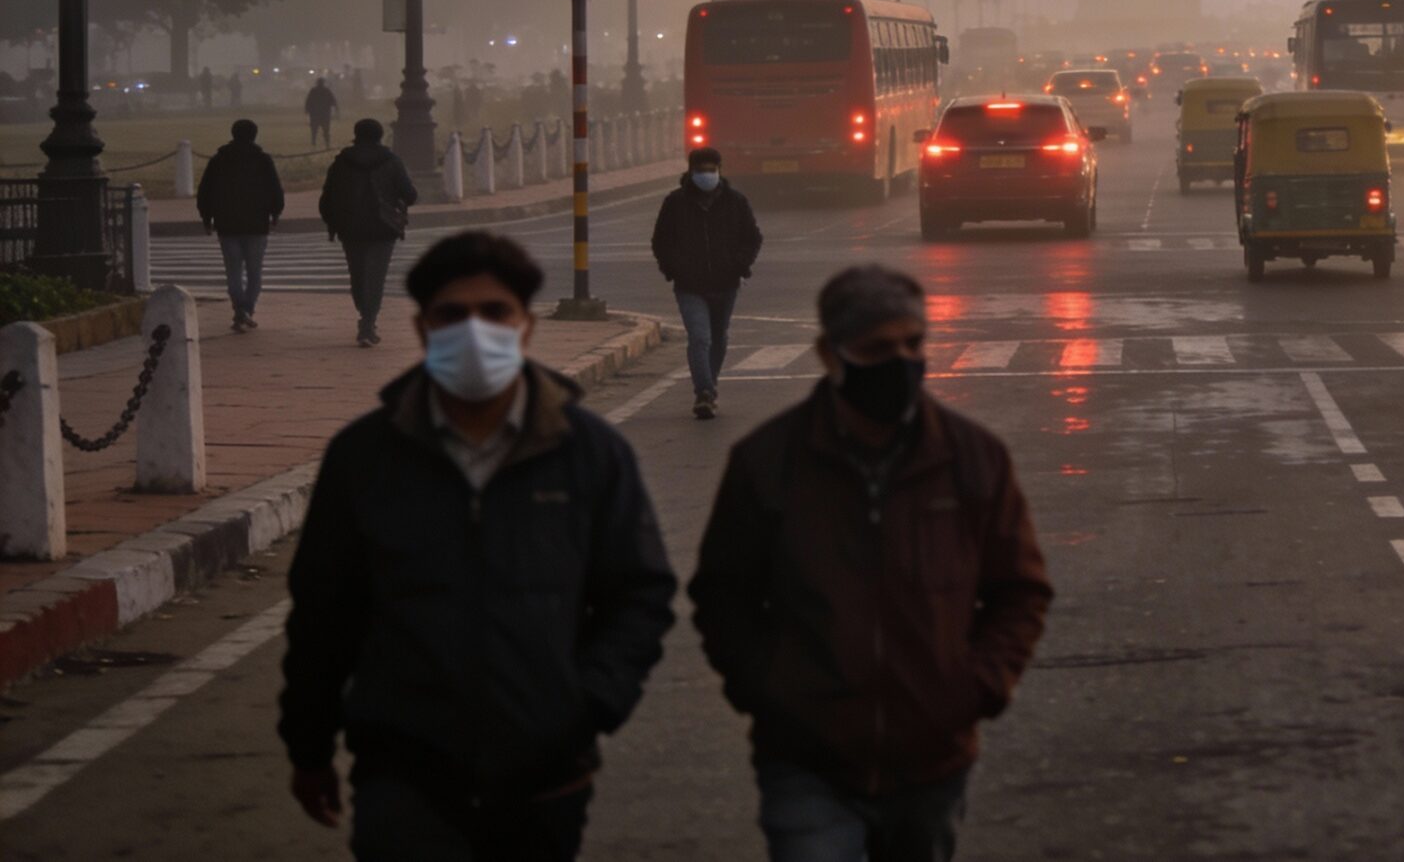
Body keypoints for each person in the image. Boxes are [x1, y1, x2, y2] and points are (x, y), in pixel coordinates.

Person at [278, 231, 677, 862]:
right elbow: (324, 615)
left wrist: (587, 704)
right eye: (452, 315)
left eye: (494, 313)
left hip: (546, 773)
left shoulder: (589, 454)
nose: (474, 331)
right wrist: (309, 746)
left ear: (525, 327)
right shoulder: (366, 458)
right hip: (404, 772)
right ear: (421, 328)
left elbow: (640, 596)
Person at [692, 265, 1050, 862]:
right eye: (878, 349)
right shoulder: (768, 463)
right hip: (806, 758)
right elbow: (722, 596)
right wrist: (771, 692)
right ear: (831, 356)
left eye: (913, 344)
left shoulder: (971, 458)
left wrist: (973, 689)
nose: (902, 362)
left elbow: (1021, 592)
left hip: (932, 758)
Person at [649, 146, 763, 420]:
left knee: (719, 337)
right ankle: (704, 392)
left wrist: (740, 264)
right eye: (701, 170)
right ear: (691, 171)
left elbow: (752, 237)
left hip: (726, 283)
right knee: (700, 338)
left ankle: (709, 385)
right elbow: (660, 241)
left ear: (719, 171)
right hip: (689, 285)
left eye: (711, 170)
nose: (706, 175)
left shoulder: (735, 202)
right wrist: (672, 269)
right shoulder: (675, 203)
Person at [320, 118, 420, 347]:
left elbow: (328, 197)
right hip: (383, 226)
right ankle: (368, 322)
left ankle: (364, 314)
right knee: (376, 277)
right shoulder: (392, 161)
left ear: (357, 135)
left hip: (350, 226)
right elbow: (410, 195)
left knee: (357, 274)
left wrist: (333, 221)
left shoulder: (342, 162)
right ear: (379, 136)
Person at [196, 118, 286, 332]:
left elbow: (205, 192)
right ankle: (247, 309)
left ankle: (239, 310)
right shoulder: (262, 160)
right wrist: (275, 214)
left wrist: (207, 218)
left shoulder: (219, 160)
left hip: (227, 223)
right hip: (256, 223)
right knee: (255, 272)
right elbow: (275, 189)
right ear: (254, 135)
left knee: (233, 271)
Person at [305, 76, 340, 147]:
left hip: (315, 113)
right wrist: (336, 109)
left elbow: (308, 101)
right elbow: (333, 101)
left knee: (314, 129)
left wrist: (307, 109)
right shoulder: (326, 91)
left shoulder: (314, 91)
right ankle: (326, 143)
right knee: (325, 129)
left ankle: (314, 141)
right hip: (324, 113)